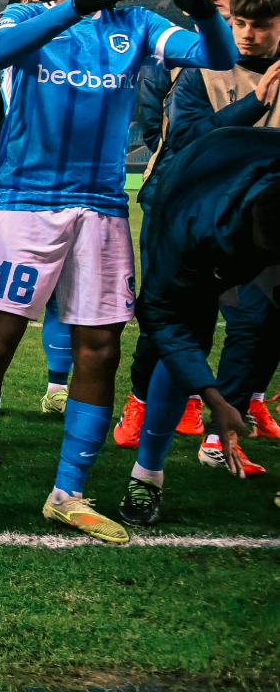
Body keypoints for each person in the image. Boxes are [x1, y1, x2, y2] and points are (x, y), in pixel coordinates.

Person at [0, 0, 235, 544]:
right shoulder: (27, 13)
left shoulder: (141, 24)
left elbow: (220, 59)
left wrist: (203, 12)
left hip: (101, 208)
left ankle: (68, 494)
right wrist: (81, 5)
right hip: (24, 204)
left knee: (100, 350)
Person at [136, 0, 280, 478]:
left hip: (254, 228)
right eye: (238, 23)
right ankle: (141, 415)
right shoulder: (202, 70)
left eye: (260, 26)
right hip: (183, 220)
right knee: (172, 329)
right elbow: (188, 144)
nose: (246, 34)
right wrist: (255, 102)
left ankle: (221, 435)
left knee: (257, 324)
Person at [117, 126, 273, 527]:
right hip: (189, 191)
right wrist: (215, 399)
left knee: (259, 323)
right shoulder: (193, 226)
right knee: (189, 339)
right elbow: (165, 318)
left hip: (250, 193)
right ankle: (146, 475)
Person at [121, 0, 244, 443]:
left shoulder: (256, 58)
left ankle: (197, 400)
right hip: (175, 201)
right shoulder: (177, 59)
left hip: (233, 210)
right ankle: (138, 403)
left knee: (218, 314)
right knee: (165, 310)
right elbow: (157, 128)